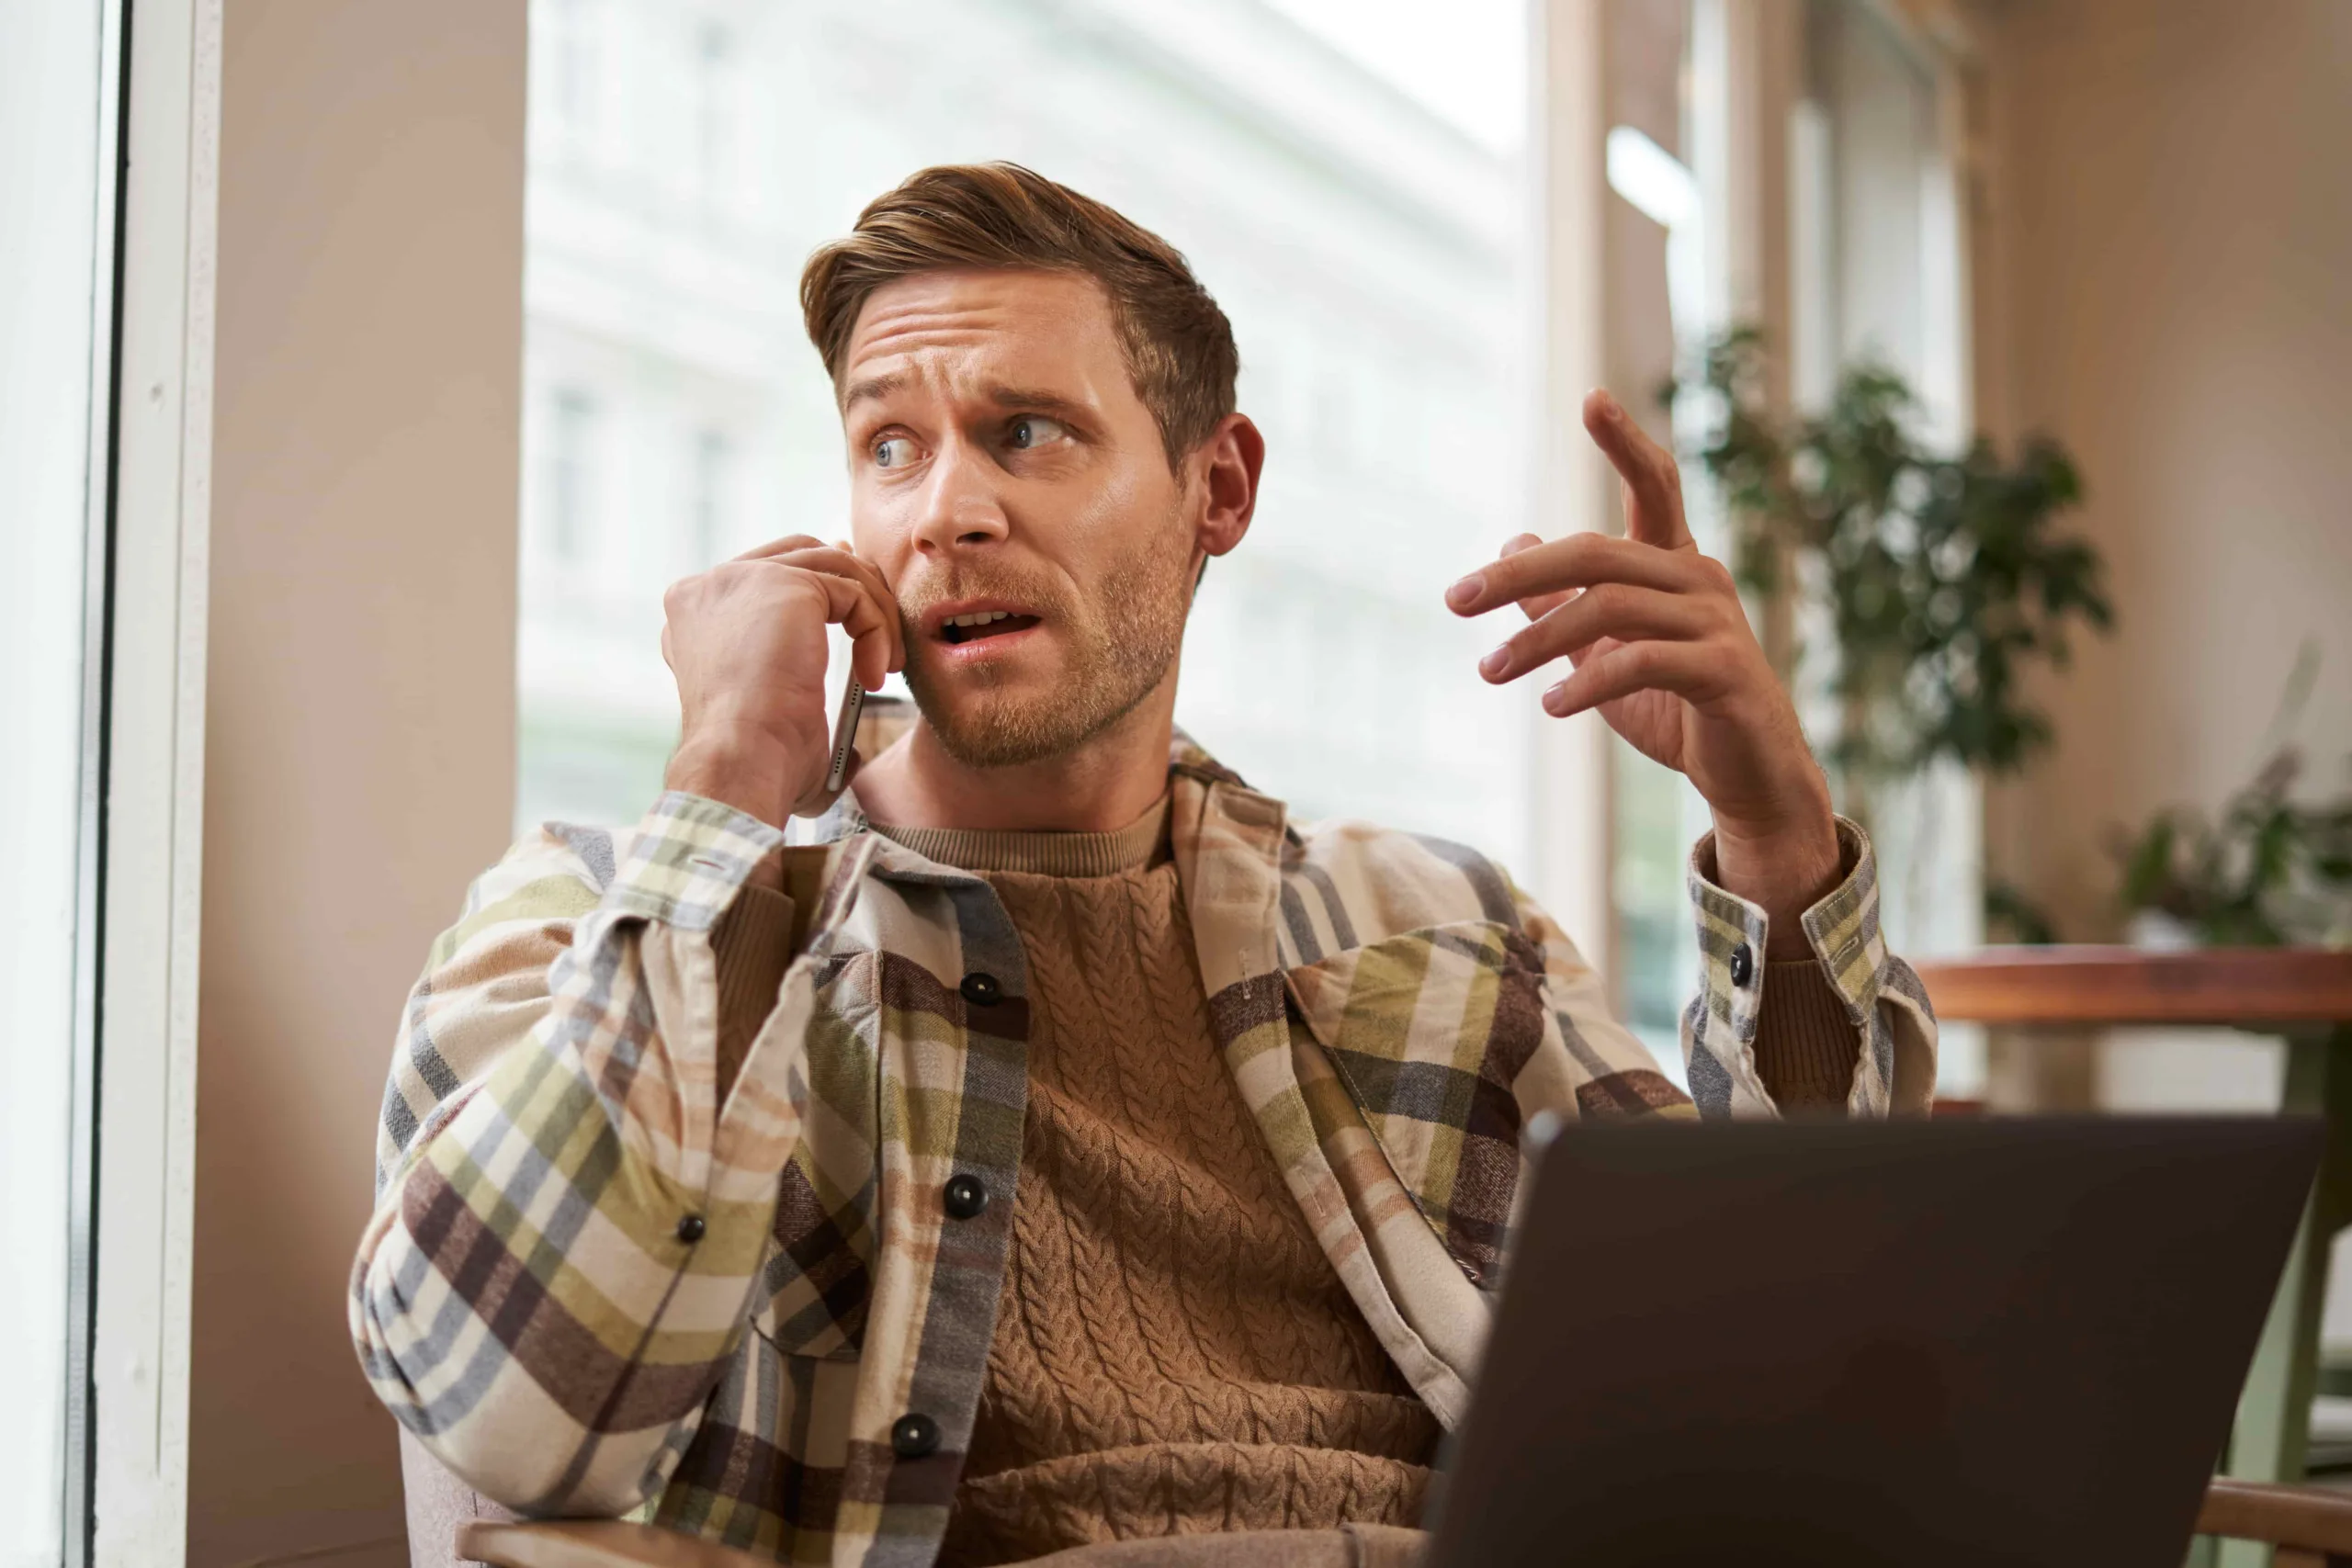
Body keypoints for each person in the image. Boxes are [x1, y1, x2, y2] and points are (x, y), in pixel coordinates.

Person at [352, 164, 1935, 1568]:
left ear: (1217, 489)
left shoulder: (1439, 922)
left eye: (1025, 434)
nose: (944, 511)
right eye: (888, 447)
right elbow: (509, 1427)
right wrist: (723, 789)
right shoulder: (618, 923)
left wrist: (1777, 827)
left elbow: (1785, 1362)